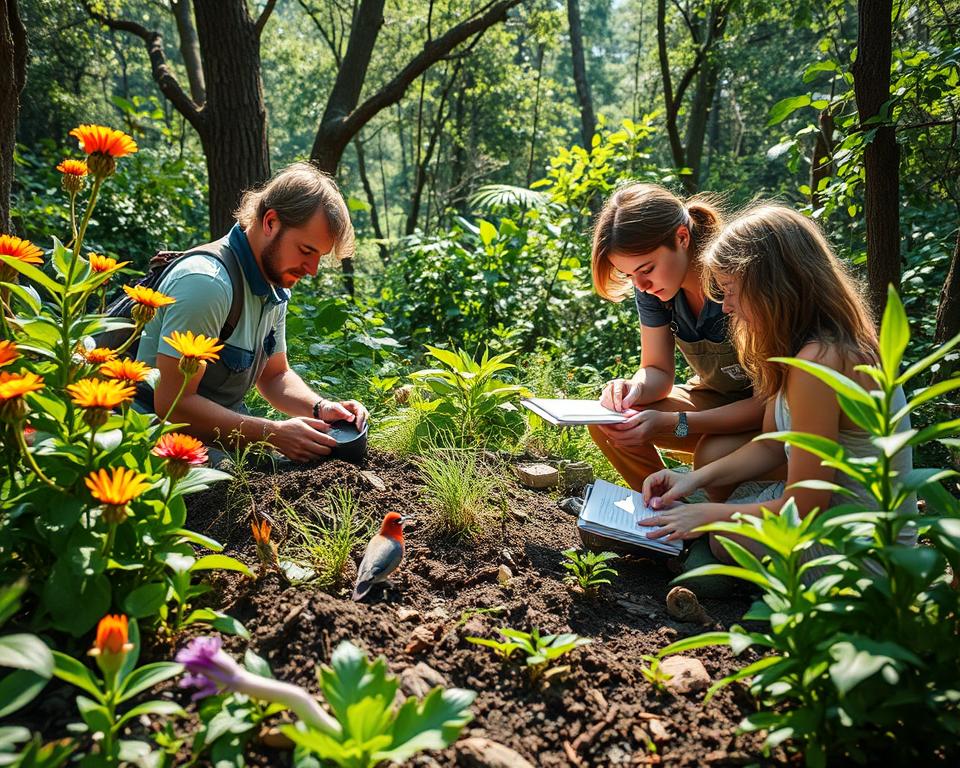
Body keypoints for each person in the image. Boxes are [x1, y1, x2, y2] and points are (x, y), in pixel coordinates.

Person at [638, 204, 917, 562]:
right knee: (715, 489)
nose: (726, 307)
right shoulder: (798, 345)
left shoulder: (820, 362)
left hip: (861, 547)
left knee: (726, 539)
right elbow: (771, 446)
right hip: (828, 510)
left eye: (731, 290)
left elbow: (804, 506)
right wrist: (694, 481)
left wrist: (711, 516)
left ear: (773, 288)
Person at [134, 162, 369, 463]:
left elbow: (275, 375)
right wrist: (273, 433)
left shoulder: (274, 285)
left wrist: (320, 407)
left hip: (220, 440)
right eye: (306, 251)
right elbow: (173, 406)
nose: (311, 270)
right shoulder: (207, 284)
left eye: (318, 258)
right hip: (159, 447)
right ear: (271, 222)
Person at [588, 183, 766, 496]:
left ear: (682, 238)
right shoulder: (655, 289)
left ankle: (700, 511)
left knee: (714, 452)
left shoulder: (739, 280)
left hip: (767, 415)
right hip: (714, 398)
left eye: (646, 269)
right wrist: (634, 388)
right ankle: (665, 508)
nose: (640, 285)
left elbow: (772, 403)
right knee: (609, 421)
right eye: (629, 275)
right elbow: (657, 371)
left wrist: (675, 422)